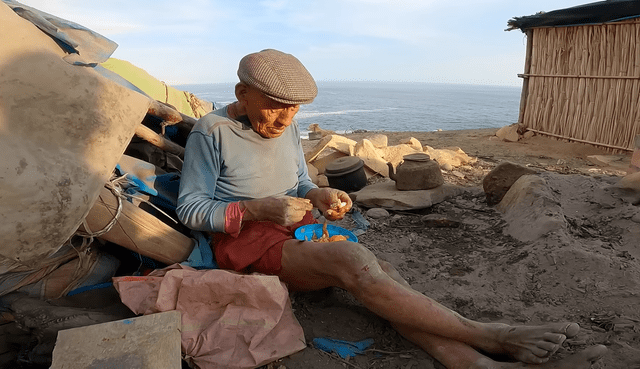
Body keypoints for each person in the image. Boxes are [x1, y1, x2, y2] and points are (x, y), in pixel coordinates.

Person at [177, 49, 606, 369]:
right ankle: (494, 336)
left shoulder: (285, 126)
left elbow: (300, 181)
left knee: (382, 273)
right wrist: (256, 210)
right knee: (354, 261)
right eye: (275, 104)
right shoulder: (212, 131)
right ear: (242, 93)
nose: (286, 118)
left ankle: (474, 363)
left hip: (297, 228)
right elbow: (191, 209)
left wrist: (318, 195)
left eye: (294, 108)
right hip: (249, 242)